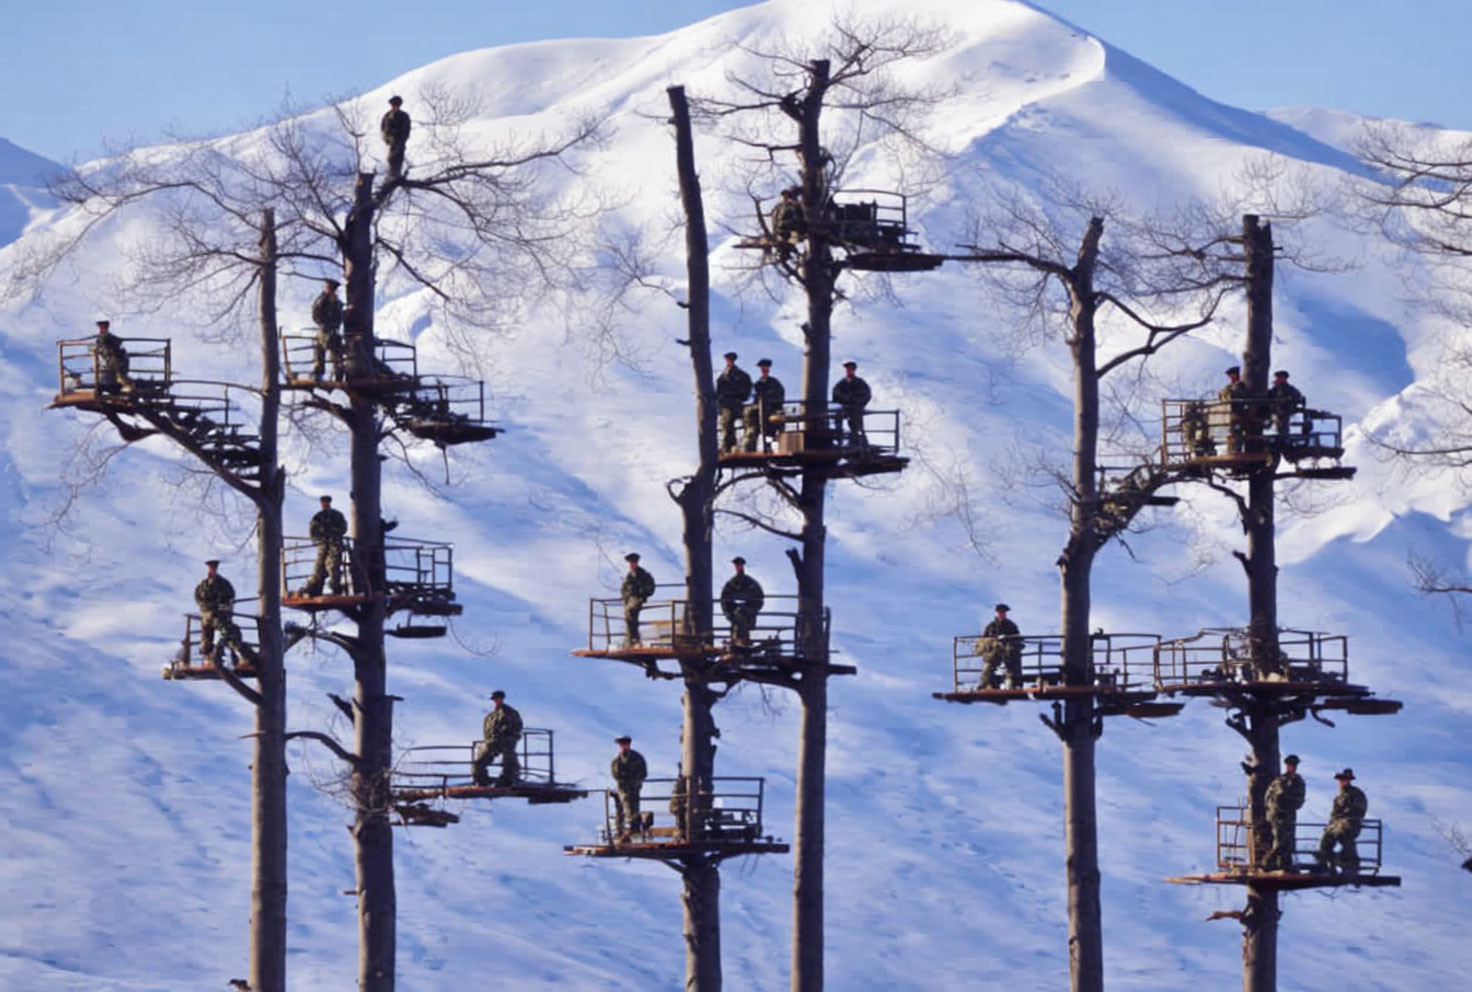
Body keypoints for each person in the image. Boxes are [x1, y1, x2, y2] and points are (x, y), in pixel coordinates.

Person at [194, 559, 255, 667]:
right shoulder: (203, 584)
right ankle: (208, 659)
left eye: (213, 567)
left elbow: (229, 598)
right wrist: (206, 607)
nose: (212, 570)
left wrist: (219, 606)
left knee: (228, 636)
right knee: (206, 638)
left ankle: (235, 658)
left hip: (221, 615)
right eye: (210, 567)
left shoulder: (223, 584)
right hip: (207, 615)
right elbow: (198, 598)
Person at [1316, 768, 1368, 873]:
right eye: (1341, 779)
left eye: (1345, 779)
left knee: (1346, 839)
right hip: (1337, 825)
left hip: (1350, 824)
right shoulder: (1338, 797)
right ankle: (1325, 864)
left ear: (1349, 780)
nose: (1342, 781)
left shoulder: (1356, 794)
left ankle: (1350, 865)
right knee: (1325, 841)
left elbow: (1358, 810)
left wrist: (1345, 817)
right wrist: (1331, 825)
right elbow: (1334, 814)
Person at [471, 690, 523, 787]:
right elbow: (487, 731)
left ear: (502, 699)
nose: (496, 701)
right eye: (494, 699)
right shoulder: (491, 716)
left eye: (498, 699)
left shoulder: (510, 713)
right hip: (492, 743)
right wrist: (489, 741)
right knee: (479, 762)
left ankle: (508, 781)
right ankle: (481, 781)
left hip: (506, 743)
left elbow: (516, 728)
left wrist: (507, 739)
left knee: (509, 762)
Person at [1263, 754, 1306, 871]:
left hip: (1288, 815)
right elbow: (1268, 797)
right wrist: (1271, 810)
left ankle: (1284, 864)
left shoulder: (1298, 782)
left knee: (1288, 842)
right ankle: (1269, 862)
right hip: (1276, 815)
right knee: (1280, 840)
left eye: (1293, 765)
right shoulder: (1278, 781)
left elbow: (1299, 800)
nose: (1290, 767)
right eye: (1289, 765)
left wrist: (1287, 801)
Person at [302, 495, 348, 595]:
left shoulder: (337, 515)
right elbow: (313, 532)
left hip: (334, 544)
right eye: (323, 503)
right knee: (319, 568)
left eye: (326, 503)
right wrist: (318, 540)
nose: (325, 505)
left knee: (333, 566)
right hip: (323, 545)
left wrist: (333, 531)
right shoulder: (318, 517)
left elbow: (343, 528)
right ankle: (315, 589)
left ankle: (336, 589)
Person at [610, 735, 648, 842]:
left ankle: (633, 830)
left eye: (624, 744)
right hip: (622, 789)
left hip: (634, 788)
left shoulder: (637, 758)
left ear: (629, 744)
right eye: (621, 745)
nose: (623, 747)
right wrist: (624, 781)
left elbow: (643, 773)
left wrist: (634, 781)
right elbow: (615, 774)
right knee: (622, 808)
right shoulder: (617, 761)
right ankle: (622, 831)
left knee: (633, 808)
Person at [720, 556, 765, 647]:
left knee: (743, 623)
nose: (738, 567)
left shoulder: (750, 583)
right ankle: (736, 643)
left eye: (739, 565)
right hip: (735, 616)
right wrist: (728, 613)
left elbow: (759, 598)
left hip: (748, 615)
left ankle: (745, 644)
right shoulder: (731, 583)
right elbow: (724, 599)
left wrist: (750, 610)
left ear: (743, 566)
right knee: (737, 623)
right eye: (736, 565)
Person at [744, 358, 786, 452]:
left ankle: (770, 447)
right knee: (752, 428)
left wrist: (770, 403)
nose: (764, 370)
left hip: (771, 411)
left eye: (765, 368)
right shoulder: (757, 385)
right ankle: (750, 448)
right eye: (762, 368)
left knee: (772, 430)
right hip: (758, 414)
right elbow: (753, 399)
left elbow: (779, 398)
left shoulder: (775, 384)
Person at [978, 603, 1023, 689]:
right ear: (997, 613)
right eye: (1000, 612)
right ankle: (986, 683)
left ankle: (1015, 682)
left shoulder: (1011, 625)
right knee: (988, 665)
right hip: (995, 652)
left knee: (1014, 660)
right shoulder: (991, 627)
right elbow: (984, 639)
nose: (1002, 614)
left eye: (1003, 612)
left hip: (1008, 651)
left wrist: (1009, 641)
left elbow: (1018, 638)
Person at [716, 351, 752, 453]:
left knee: (748, 421)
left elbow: (747, 390)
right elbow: (718, 393)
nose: (729, 362)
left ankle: (746, 446)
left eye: (730, 360)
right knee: (727, 425)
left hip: (737, 403)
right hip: (726, 405)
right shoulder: (722, 377)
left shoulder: (741, 375)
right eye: (728, 360)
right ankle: (728, 447)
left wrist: (738, 395)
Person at [310, 279, 345, 382]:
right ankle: (318, 373)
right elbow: (315, 315)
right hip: (324, 329)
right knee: (320, 350)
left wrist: (335, 324)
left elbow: (340, 317)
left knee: (336, 352)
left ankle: (338, 373)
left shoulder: (337, 303)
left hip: (334, 331)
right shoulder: (321, 301)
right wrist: (324, 323)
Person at [831, 360, 872, 444]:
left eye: (850, 369)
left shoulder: (860, 383)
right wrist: (843, 401)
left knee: (856, 425)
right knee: (838, 416)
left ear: (854, 370)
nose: (848, 371)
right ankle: (839, 438)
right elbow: (835, 395)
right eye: (847, 369)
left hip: (856, 409)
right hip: (844, 408)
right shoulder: (841, 384)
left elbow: (867, 395)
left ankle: (858, 441)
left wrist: (857, 402)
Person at [620, 552, 656, 647]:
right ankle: (630, 639)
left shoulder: (643, 574)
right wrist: (625, 598)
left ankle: (633, 639)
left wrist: (642, 592)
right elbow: (624, 589)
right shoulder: (629, 576)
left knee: (631, 612)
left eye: (633, 563)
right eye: (630, 563)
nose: (631, 565)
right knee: (628, 616)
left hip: (638, 599)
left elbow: (651, 587)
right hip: (629, 600)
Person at [1217, 365, 1254, 453]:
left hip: (1239, 414)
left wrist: (1228, 396)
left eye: (1232, 375)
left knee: (1238, 433)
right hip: (1231, 414)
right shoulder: (1229, 387)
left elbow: (1235, 396)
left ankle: (1237, 450)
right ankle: (1233, 450)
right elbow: (1221, 395)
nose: (1231, 377)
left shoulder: (1241, 386)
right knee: (1233, 433)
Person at [92, 319, 133, 392]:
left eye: (103, 328)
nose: (101, 330)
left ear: (107, 328)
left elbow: (117, 351)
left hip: (116, 363)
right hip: (108, 364)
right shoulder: (100, 339)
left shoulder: (111, 338)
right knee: (104, 379)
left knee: (112, 379)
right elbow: (100, 350)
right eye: (100, 328)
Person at [1266, 370, 1305, 436]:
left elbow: (1299, 398)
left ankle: (1282, 437)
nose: (1278, 379)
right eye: (1277, 377)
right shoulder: (1274, 390)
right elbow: (1268, 398)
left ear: (1285, 379)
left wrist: (1290, 401)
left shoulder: (1290, 389)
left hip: (1285, 411)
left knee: (1282, 417)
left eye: (1280, 377)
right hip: (1273, 411)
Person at [381, 95, 411, 178]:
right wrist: (387, 140)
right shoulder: (387, 116)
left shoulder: (404, 116)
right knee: (390, 161)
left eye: (396, 105)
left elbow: (406, 132)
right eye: (393, 105)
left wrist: (400, 143)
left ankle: (395, 179)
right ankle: (390, 179)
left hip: (399, 144)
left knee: (396, 162)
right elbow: (383, 129)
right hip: (389, 144)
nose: (394, 107)